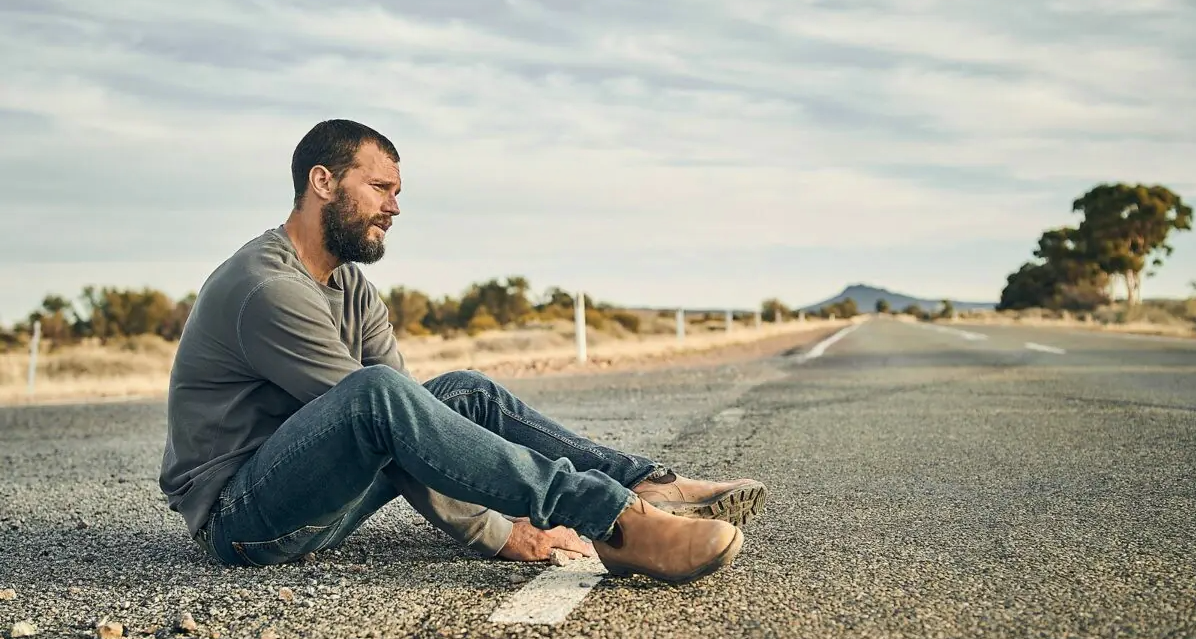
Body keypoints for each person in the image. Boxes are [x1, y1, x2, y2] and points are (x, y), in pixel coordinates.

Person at [158, 119, 767, 585]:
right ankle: (613, 521)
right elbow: (388, 425)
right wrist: (503, 534)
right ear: (323, 182)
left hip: (314, 492)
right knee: (377, 396)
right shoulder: (267, 289)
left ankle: (646, 486)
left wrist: (490, 508)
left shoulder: (352, 287)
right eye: (379, 188)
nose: (394, 207)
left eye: (397, 192)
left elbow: (422, 422)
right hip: (241, 522)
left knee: (461, 392)